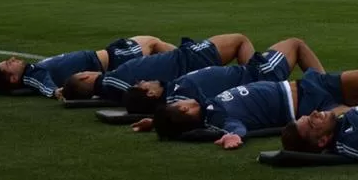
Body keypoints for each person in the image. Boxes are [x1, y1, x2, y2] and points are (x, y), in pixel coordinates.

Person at [148, 68, 358, 150]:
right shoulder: (217, 119)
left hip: (311, 83)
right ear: (185, 112)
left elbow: (173, 124)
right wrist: (233, 137)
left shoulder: (206, 103)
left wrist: (153, 121)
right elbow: (235, 128)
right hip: (313, 109)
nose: (182, 101)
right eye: (179, 105)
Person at [122, 37, 324, 114]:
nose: (143, 80)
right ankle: (325, 86)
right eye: (142, 85)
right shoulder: (181, 97)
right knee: (295, 44)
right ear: (151, 94)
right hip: (258, 75)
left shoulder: (173, 92)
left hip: (251, 75)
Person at [62, 34, 255, 102]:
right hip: (189, 59)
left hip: (184, 62)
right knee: (240, 40)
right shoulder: (116, 80)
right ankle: (257, 82)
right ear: (85, 77)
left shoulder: (110, 88)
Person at [0, 35, 175, 99]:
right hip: (112, 59)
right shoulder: (31, 75)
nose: (13, 59)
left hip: (108, 54)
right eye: (9, 64)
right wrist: (55, 92)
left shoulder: (32, 69)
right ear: (13, 78)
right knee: (152, 42)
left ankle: (181, 60)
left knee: (154, 47)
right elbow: (43, 84)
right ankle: (186, 58)